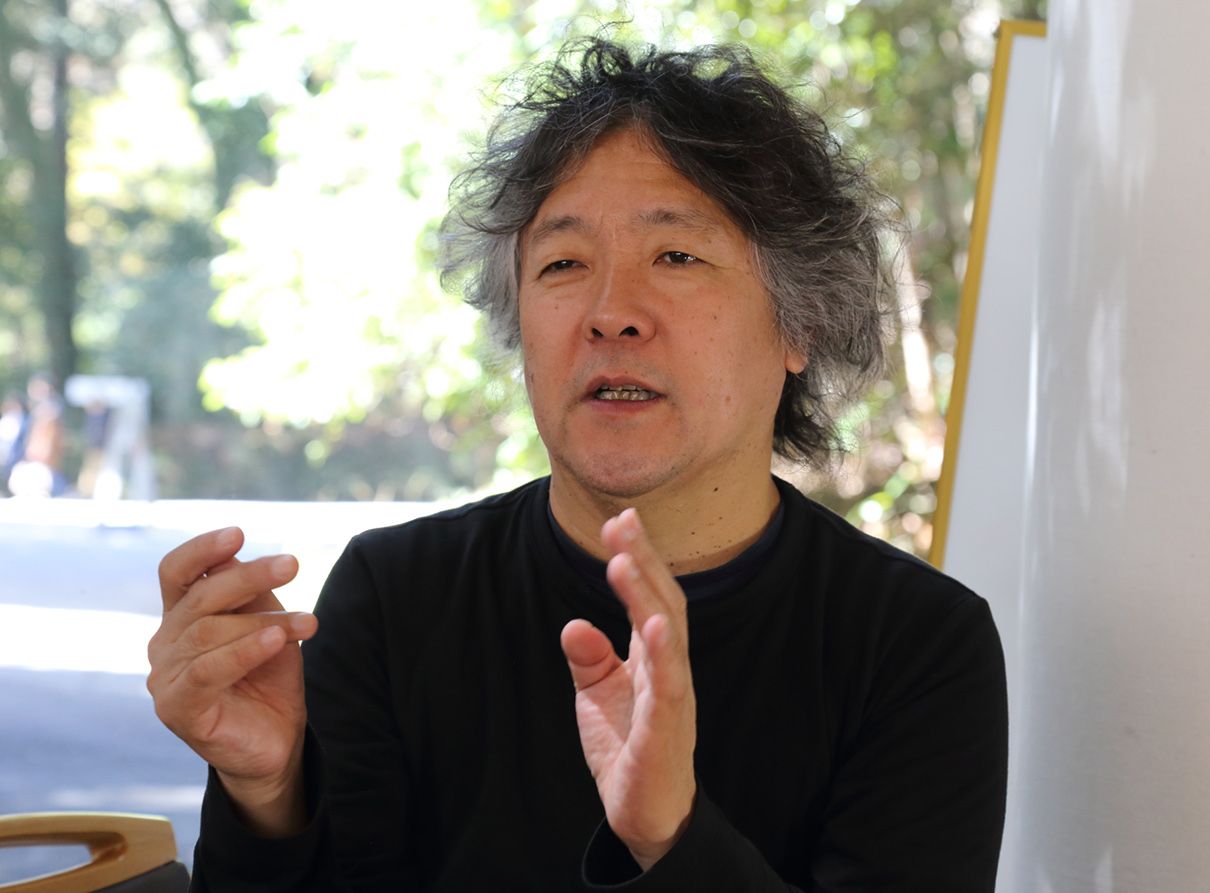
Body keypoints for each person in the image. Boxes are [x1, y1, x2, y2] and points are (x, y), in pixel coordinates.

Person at [148, 39, 1007, 891]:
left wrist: (672, 836)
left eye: (676, 256)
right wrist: (268, 794)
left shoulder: (915, 646)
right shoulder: (396, 598)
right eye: (563, 263)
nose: (611, 313)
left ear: (800, 323)